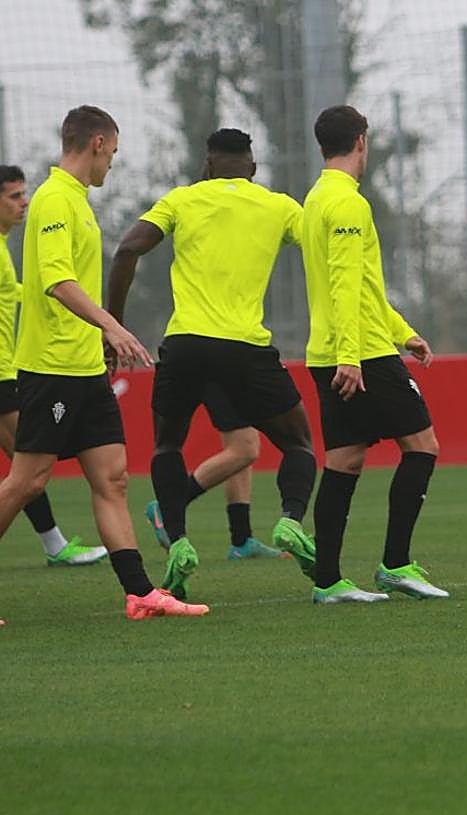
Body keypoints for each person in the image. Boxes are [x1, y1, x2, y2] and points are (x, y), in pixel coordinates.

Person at [0, 105, 207, 622]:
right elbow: (56, 280)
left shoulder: (74, 200)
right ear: (95, 144)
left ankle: (139, 592)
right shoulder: (52, 200)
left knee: (112, 478)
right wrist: (111, 325)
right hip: (51, 368)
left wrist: (101, 341)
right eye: (112, 153)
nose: (111, 164)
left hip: (86, 368)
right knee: (28, 481)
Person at [109, 128, 319, 601]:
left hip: (184, 346)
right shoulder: (279, 206)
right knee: (298, 444)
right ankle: (289, 520)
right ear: (253, 168)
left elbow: (126, 248)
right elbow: (325, 252)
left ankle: (179, 541)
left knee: (167, 446)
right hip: (244, 347)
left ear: (207, 164)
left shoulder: (181, 200)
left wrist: (113, 327)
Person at [301, 105, 448, 604]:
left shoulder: (316, 199)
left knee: (344, 459)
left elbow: (361, 286)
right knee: (423, 446)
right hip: (358, 353)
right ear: (361, 141)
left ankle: (327, 581)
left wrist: (404, 332)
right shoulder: (347, 205)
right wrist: (352, 356)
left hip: (332, 351)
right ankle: (396, 564)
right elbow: (345, 286)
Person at [0, 164, 108, 566]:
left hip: (11, 370)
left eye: (23, 193)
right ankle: (55, 546)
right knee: (25, 477)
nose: (23, 202)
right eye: (13, 195)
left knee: (25, 476)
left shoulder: (7, 246)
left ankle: (55, 544)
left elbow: (19, 291)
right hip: (6, 372)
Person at [143, 385, 284, 561]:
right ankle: (168, 507)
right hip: (218, 366)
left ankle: (242, 541)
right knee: (245, 448)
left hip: (220, 365)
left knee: (242, 441)